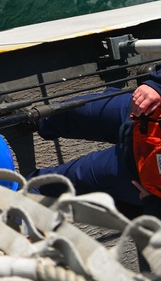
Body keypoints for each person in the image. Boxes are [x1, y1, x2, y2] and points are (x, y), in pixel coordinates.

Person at [31, 73, 161, 216]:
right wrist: (156, 85)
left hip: (135, 172)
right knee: (69, 112)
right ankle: (34, 122)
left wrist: (153, 206)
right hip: (146, 110)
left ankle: (11, 194)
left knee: (53, 183)